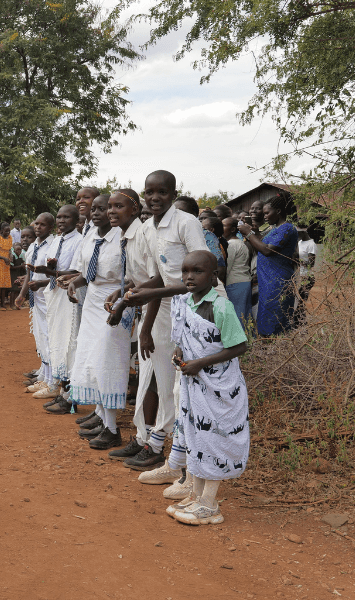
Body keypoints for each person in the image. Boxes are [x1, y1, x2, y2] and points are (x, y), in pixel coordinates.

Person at [114, 170, 214, 479]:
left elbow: (202, 275)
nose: (155, 198)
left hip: (196, 307)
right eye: (150, 192)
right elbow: (159, 277)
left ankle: (169, 453)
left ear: (173, 194)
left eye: (162, 192)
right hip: (165, 305)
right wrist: (142, 318)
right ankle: (152, 441)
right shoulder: (148, 229)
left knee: (178, 384)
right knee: (155, 376)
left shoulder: (186, 223)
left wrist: (148, 294)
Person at [168, 251, 249, 526]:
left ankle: (210, 504)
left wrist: (200, 362)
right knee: (196, 437)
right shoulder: (186, 303)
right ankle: (197, 495)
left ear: (213, 276)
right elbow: (184, 337)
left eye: (198, 271)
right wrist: (180, 353)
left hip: (219, 388)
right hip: (195, 384)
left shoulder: (221, 306)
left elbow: (239, 346)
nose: (189, 277)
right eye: (186, 271)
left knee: (214, 438)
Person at [59, 191, 142, 448]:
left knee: (109, 361)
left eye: (101, 208)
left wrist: (122, 303)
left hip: (116, 302)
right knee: (92, 360)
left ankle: (112, 428)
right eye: (93, 208)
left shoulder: (124, 236)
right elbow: (88, 272)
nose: (95, 213)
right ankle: (103, 418)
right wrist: (76, 282)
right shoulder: (91, 236)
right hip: (94, 301)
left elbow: (130, 275)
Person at [32, 205, 82, 403]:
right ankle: (57, 387)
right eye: (59, 217)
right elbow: (55, 267)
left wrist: (51, 272)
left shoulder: (79, 241)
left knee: (69, 342)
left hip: (68, 296)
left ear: (76, 220)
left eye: (66, 217)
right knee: (55, 340)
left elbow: (76, 271)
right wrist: (51, 268)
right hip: (53, 295)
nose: (62, 221)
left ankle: (69, 394)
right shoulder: (57, 241)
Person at [240, 194, 298, 336]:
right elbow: (263, 242)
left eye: (267, 213)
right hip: (268, 280)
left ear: (278, 211)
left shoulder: (287, 228)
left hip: (277, 280)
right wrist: (255, 232)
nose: (264, 216)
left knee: (276, 314)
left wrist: (248, 234)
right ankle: (268, 347)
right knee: (266, 312)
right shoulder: (275, 229)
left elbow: (267, 250)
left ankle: (276, 348)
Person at [24, 213, 56, 391]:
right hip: (37, 298)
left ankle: (51, 380)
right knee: (40, 334)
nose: (37, 227)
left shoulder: (52, 246)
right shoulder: (34, 246)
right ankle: (44, 373)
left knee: (49, 336)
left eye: (42, 225)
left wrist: (40, 283)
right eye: (36, 223)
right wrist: (23, 291)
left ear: (50, 228)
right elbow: (30, 272)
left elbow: (56, 273)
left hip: (48, 296)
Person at [222, 217, 252, 327]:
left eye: (224, 226)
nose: (221, 228)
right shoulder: (240, 243)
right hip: (244, 281)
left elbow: (227, 268)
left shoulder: (231, 245)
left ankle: (241, 342)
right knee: (246, 315)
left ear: (233, 229)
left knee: (238, 316)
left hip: (235, 283)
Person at [296, 226, 316, 317]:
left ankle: (301, 322)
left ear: (304, 232)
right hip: (299, 276)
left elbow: (311, 263)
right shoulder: (299, 242)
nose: (297, 234)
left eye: (299, 233)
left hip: (307, 277)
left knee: (301, 302)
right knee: (298, 301)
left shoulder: (311, 244)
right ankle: (299, 322)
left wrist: (298, 260)